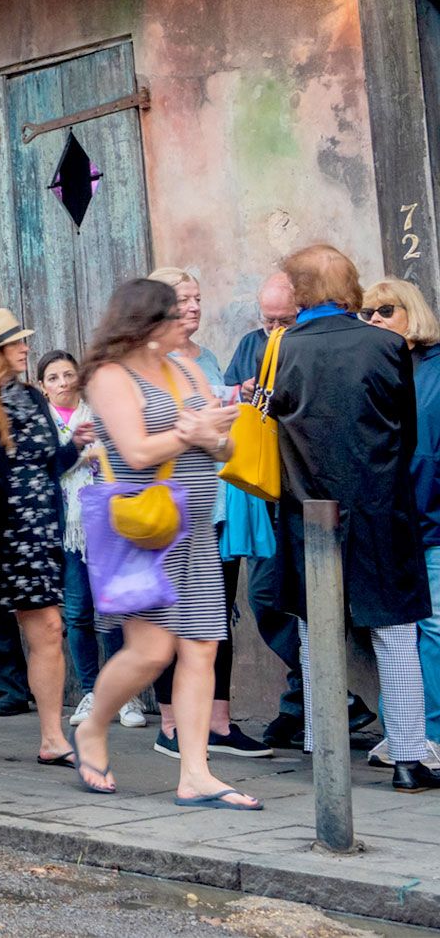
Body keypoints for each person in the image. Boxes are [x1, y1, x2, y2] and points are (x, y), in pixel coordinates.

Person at [72, 277, 254, 809]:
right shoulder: (110, 374)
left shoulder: (187, 367)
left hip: (195, 530)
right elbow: (132, 451)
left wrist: (217, 436)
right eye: (177, 313)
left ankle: (195, 772)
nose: (188, 319)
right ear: (147, 324)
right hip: (146, 534)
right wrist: (192, 434)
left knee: (201, 648)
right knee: (151, 652)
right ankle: (93, 726)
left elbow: (226, 448)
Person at [269, 247, 438, 792]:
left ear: (299, 292)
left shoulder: (282, 348)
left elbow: (276, 434)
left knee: (316, 631)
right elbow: (405, 435)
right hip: (379, 509)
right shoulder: (386, 345)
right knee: (395, 634)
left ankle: (325, 750)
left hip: (308, 512)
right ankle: (410, 760)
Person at [145, 267, 270, 759]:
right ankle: (171, 726)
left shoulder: (208, 357)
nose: (195, 306)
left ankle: (219, 722)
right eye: (183, 299)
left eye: (198, 297)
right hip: (170, 506)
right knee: (171, 620)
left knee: (217, 617)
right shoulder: (149, 362)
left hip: (217, 505)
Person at [0, 310, 77, 768]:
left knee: (48, 628)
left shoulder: (30, 395)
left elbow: (44, 464)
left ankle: (52, 738)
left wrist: (76, 447)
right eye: (15, 343)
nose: (25, 347)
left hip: (37, 534)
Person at [225, 271, 313, 747]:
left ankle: (304, 705)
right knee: (264, 596)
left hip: (306, 489)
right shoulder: (250, 344)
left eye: (286, 319)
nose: (275, 328)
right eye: (269, 319)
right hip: (263, 491)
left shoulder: (310, 346)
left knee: (308, 601)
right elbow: (235, 405)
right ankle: (325, 695)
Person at [44, 350, 141, 732]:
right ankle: (90, 690)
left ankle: (124, 694)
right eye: (53, 377)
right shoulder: (42, 426)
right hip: (66, 530)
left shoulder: (98, 415)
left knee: (113, 611)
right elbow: (39, 469)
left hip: (106, 525)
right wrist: (74, 457)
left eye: (68, 374)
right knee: (78, 613)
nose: (63, 382)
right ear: (42, 386)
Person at [365, 279, 440, 767]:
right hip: (393, 522)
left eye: (383, 311)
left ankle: (427, 732)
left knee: (431, 629)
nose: (372, 320)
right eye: (366, 313)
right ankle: (404, 734)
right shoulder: (382, 366)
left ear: (410, 313)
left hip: (430, 521)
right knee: (399, 632)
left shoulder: (434, 369)